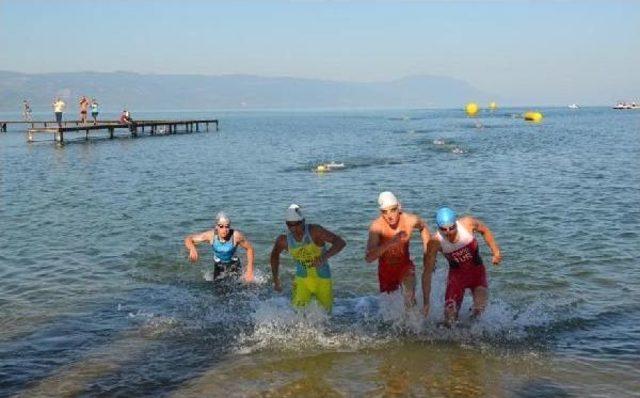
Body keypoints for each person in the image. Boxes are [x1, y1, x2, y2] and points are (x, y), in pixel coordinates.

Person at [422, 207, 502, 326]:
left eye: (452, 228)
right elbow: (427, 273)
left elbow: (485, 230)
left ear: (456, 223)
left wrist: (496, 252)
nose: (448, 232)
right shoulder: (435, 242)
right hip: (457, 278)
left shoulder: (468, 224)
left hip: (477, 274)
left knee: (479, 310)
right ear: (438, 228)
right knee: (449, 318)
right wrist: (426, 302)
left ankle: (470, 332)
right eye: (444, 229)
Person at [270, 204, 346, 313]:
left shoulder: (315, 231)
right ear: (286, 225)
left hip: (323, 280)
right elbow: (274, 256)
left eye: (297, 224)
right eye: (290, 225)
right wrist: (276, 280)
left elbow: (340, 242)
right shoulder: (283, 240)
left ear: (303, 221)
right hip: (302, 281)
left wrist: (324, 257)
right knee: (297, 315)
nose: (294, 228)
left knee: (326, 317)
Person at [365, 191, 430, 308]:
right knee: (390, 310)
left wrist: (427, 253)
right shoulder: (376, 227)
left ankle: (415, 325)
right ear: (381, 212)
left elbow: (423, 227)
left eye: (393, 210)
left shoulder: (410, 220)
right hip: (386, 271)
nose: (389, 215)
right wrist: (390, 242)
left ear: (399, 207)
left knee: (409, 296)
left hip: (405, 266)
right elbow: (369, 258)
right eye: (385, 212)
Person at [184, 212, 255, 282]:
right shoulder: (211, 236)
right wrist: (192, 249)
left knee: (238, 288)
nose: (224, 230)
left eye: (227, 226)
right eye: (221, 226)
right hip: (219, 265)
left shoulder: (236, 236)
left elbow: (249, 248)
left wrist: (250, 269)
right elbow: (189, 239)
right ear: (216, 226)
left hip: (234, 264)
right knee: (218, 290)